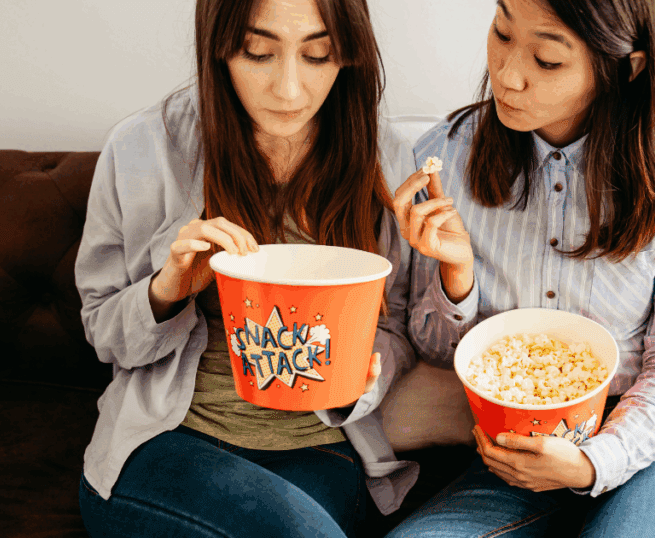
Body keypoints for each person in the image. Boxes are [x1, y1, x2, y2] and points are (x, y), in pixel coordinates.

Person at [74, 0, 438, 536]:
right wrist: (167, 289)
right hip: (171, 441)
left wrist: (359, 376)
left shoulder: (385, 157)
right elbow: (103, 331)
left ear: (349, 57)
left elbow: (396, 322)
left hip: (323, 447)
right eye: (258, 52)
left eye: (319, 55)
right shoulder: (143, 148)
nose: (288, 89)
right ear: (218, 47)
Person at [389, 0, 655, 536]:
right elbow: (433, 350)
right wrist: (457, 276)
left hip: (645, 435)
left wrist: (597, 461)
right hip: (510, 443)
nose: (508, 75)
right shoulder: (446, 155)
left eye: (547, 60)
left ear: (625, 67)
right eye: (501, 33)